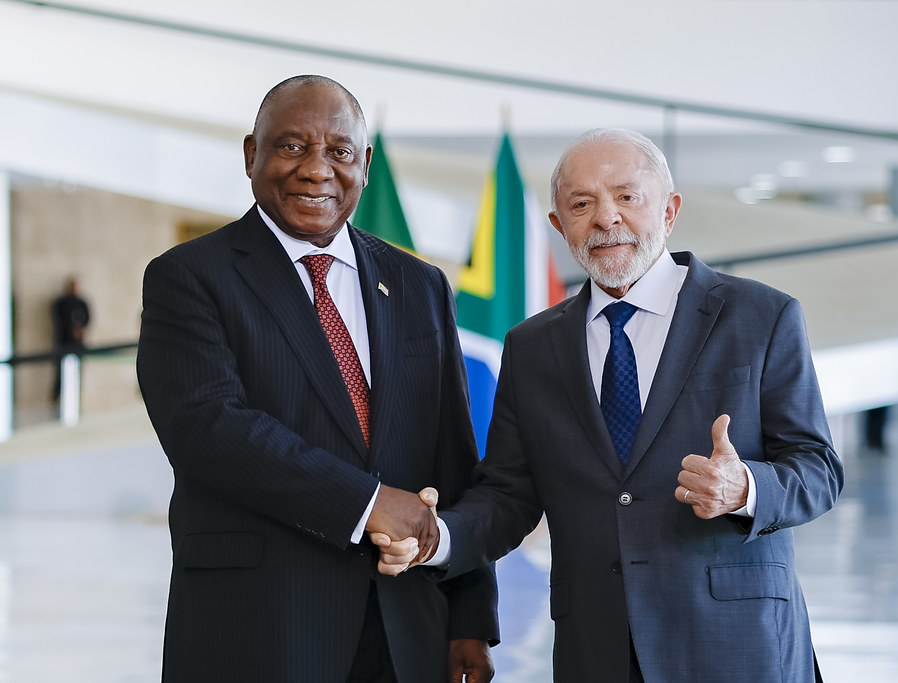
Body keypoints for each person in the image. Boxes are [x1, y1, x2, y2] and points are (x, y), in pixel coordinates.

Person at [378, 128, 843, 682]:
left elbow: (818, 468)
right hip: (596, 650)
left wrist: (746, 488)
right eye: (581, 204)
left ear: (669, 211)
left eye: (627, 196)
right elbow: (507, 495)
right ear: (559, 226)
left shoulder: (762, 316)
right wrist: (438, 538)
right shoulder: (532, 347)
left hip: (737, 645)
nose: (605, 218)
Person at [136, 75, 497, 683]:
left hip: (406, 627)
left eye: (339, 151)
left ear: (366, 165)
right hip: (260, 626)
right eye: (292, 146)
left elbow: (452, 457)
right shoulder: (189, 277)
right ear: (251, 154)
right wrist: (368, 504)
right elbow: (208, 428)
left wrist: (470, 618)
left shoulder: (419, 285)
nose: (316, 169)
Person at [51, 276, 90, 402]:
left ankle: (74, 399)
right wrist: (71, 330)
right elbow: (59, 321)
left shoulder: (82, 303)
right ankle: (57, 399)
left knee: (77, 372)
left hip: (77, 344)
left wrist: (80, 330)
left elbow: (87, 319)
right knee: (61, 374)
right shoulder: (61, 303)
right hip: (64, 342)